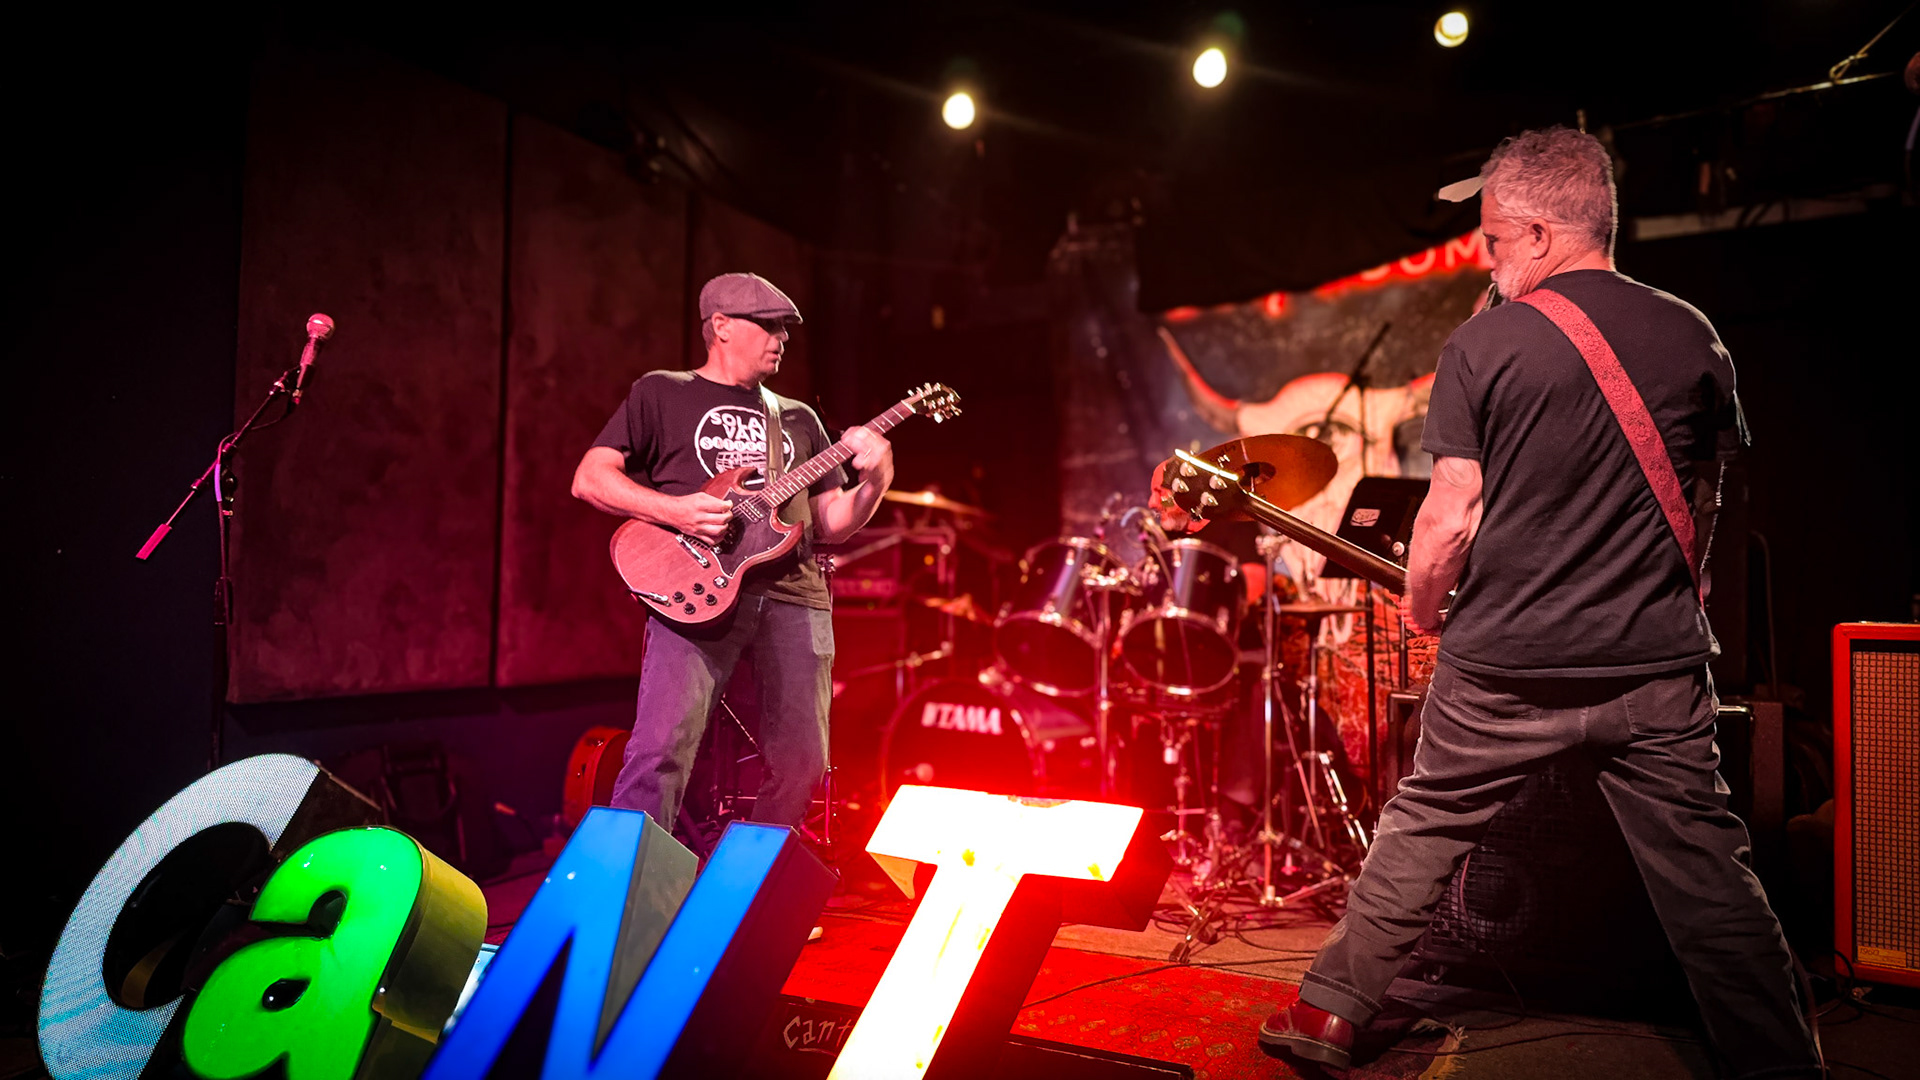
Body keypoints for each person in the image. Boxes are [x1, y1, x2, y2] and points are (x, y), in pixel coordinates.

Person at [1255, 128, 1822, 1076]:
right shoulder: (1693, 334)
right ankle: (1780, 1059)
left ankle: (1326, 1016)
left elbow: (1449, 516)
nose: (1487, 259)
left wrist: (1423, 608)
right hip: (1653, 669)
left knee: (1423, 826)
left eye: (1491, 240)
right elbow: (1711, 495)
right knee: (1707, 872)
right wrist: (1675, 588)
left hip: (1503, 668)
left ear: (1539, 232)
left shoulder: (1482, 344)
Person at [571, 272, 894, 833]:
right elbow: (589, 478)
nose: (782, 338)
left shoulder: (798, 417)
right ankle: (626, 886)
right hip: (695, 587)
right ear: (720, 326)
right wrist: (676, 510)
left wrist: (877, 481)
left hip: (795, 596)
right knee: (660, 754)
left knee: (802, 764)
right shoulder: (662, 392)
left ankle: (741, 882)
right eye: (768, 325)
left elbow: (831, 523)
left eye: (785, 329)